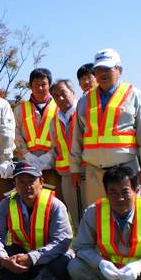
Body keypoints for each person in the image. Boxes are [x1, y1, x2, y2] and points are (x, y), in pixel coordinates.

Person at [70, 49, 141, 206]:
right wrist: (75, 168)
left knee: (128, 215)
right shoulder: (85, 100)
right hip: (94, 172)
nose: (102, 73)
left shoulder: (134, 95)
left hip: (125, 169)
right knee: (97, 217)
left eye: (107, 69)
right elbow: (77, 136)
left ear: (119, 70)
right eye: (98, 70)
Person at [0, 162, 75, 280]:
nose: (26, 186)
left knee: (62, 261)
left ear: (41, 182)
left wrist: (32, 257)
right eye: (21, 182)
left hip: (50, 256)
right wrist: (4, 259)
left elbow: (62, 241)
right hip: (22, 255)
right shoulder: (6, 204)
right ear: (14, 184)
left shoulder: (55, 205)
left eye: (31, 181)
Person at [49, 79, 87, 226]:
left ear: (73, 92)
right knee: (75, 216)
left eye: (63, 93)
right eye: (55, 96)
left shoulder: (83, 113)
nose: (60, 98)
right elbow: (56, 147)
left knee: (91, 214)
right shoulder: (54, 120)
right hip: (66, 174)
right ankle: (80, 246)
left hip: (86, 170)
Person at [14, 68, 58, 172]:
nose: (40, 88)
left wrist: (49, 156)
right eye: (36, 84)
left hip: (53, 161)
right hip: (26, 161)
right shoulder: (20, 109)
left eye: (44, 84)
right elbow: (16, 134)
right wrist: (27, 155)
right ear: (30, 86)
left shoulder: (58, 108)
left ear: (49, 86)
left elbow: (62, 135)